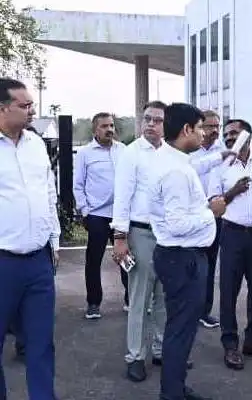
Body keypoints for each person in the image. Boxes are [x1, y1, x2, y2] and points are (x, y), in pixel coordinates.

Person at [149, 102, 225, 400]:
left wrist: (222, 156)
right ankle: (172, 393)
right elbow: (178, 224)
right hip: (183, 258)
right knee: (180, 329)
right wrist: (211, 212)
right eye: (201, 128)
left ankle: (176, 387)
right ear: (186, 129)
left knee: (180, 327)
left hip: (180, 256)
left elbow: (195, 171)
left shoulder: (174, 160)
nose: (204, 134)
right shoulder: (175, 171)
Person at [0, 77, 60, 399]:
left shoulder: (36, 144)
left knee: (41, 343)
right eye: (24, 106)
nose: (32, 111)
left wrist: (54, 240)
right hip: (3, 262)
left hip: (39, 262)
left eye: (31, 105)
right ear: (2, 109)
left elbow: (49, 192)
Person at [208, 118, 252, 370]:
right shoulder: (220, 166)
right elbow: (213, 205)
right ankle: (230, 345)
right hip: (232, 234)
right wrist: (232, 192)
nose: (228, 137)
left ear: (248, 136)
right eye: (226, 134)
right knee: (229, 291)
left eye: (234, 133)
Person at [112, 101, 170, 382]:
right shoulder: (131, 153)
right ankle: (135, 356)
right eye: (147, 118)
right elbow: (122, 197)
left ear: (166, 124)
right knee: (139, 298)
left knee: (165, 297)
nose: (151, 124)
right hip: (140, 233)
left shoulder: (171, 153)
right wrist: (120, 238)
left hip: (168, 234)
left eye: (157, 120)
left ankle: (161, 349)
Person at [74, 112, 129, 318]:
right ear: (95, 130)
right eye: (104, 126)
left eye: (111, 125)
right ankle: (93, 303)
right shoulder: (85, 153)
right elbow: (78, 184)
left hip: (120, 214)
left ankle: (131, 299)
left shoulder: (123, 150)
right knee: (94, 260)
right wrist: (85, 212)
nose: (109, 130)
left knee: (126, 257)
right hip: (97, 214)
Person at [189, 110, 226, 329]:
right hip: (191, 215)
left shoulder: (225, 150)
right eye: (209, 126)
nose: (214, 130)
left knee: (209, 266)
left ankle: (204, 311)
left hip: (215, 216)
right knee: (188, 264)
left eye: (217, 126)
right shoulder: (188, 151)